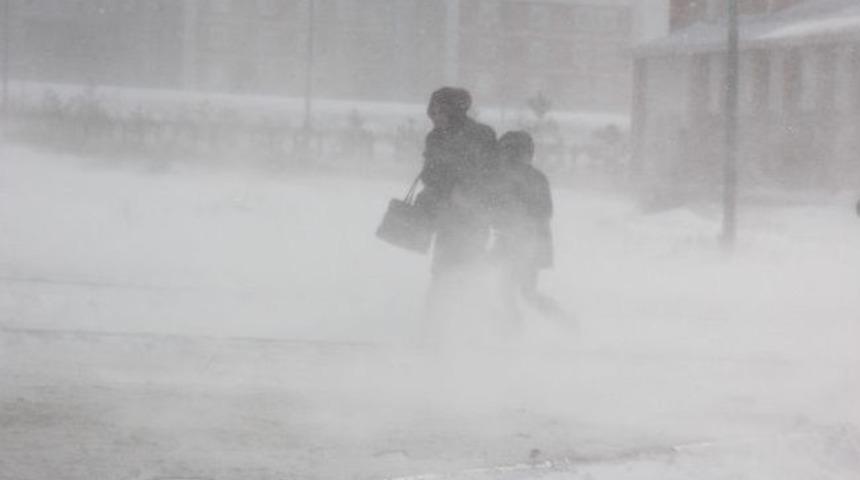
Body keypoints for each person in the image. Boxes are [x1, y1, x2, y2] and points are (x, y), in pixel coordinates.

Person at [416, 87, 498, 345]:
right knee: (455, 270)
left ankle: (447, 328)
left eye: (439, 110)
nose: (435, 116)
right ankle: (449, 328)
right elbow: (491, 173)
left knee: (453, 271)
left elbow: (431, 174)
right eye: (434, 111)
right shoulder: (480, 135)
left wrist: (453, 188)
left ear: (452, 110)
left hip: (464, 215)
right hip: (463, 215)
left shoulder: (444, 137)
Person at [491, 131, 559, 327]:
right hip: (517, 240)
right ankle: (515, 326)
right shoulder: (516, 177)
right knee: (519, 291)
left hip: (529, 243)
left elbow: (544, 211)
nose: (505, 158)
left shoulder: (532, 179)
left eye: (509, 152)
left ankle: (515, 327)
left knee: (519, 291)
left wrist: (517, 220)